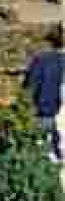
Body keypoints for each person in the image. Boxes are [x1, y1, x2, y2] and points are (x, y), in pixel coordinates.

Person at [23, 26, 65, 163]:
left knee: (43, 159)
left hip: (43, 115)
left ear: (49, 42)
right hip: (59, 115)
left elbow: (28, 89)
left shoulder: (40, 61)